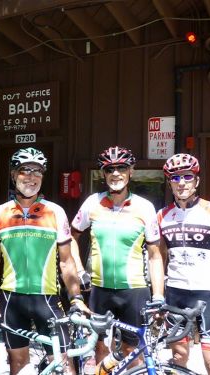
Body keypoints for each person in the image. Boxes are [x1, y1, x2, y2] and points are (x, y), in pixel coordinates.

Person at [0, 147, 89, 375]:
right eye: (25, 170)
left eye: (37, 171)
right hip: (11, 300)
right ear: (13, 175)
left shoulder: (56, 212)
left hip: (47, 300)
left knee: (64, 365)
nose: (31, 177)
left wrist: (76, 298)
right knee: (18, 364)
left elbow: (67, 263)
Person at [71, 146, 165, 366]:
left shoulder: (145, 207)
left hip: (134, 290)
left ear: (131, 171)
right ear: (103, 174)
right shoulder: (92, 203)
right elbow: (71, 238)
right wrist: (78, 270)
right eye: (109, 169)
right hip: (99, 289)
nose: (115, 173)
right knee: (101, 347)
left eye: (121, 168)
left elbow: (155, 256)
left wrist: (158, 295)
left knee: (133, 350)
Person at [157, 153, 210, 375]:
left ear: (196, 180)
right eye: (175, 178)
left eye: (187, 176)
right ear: (170, 183)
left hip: (206, 295)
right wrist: (156, 295)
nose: (181, 182)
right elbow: (158, 257)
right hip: (175, 294)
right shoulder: (162, 216)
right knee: (178, 357)